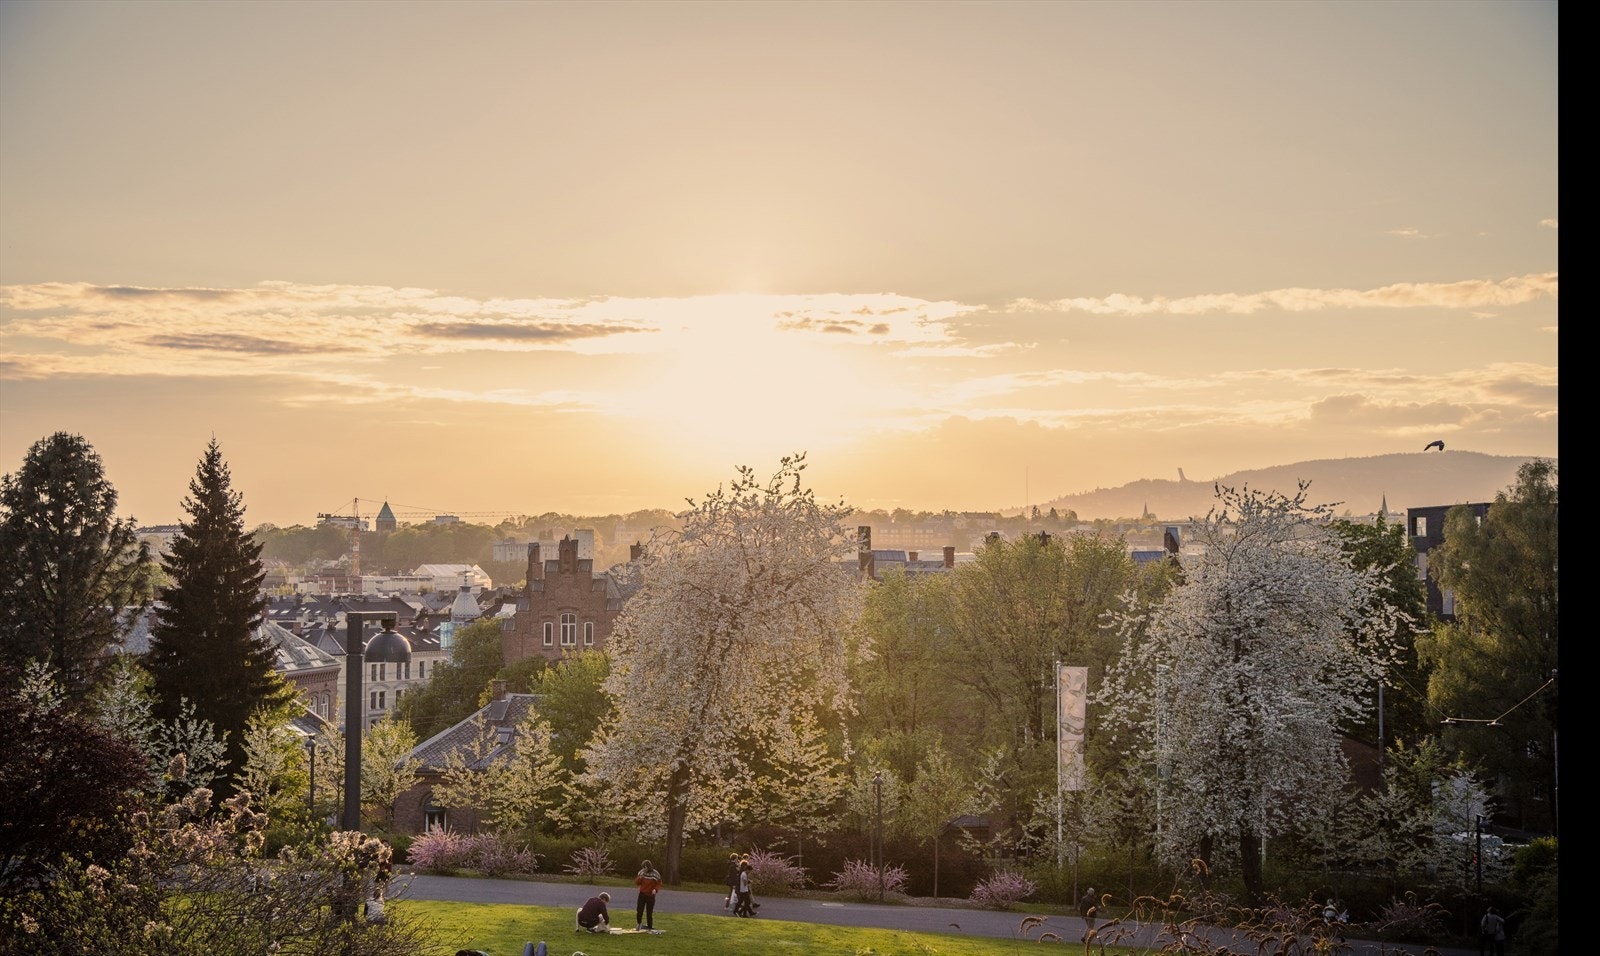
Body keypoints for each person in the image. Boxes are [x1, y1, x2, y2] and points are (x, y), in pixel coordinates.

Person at [634, 859, 662, 931]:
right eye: (643, 867)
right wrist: (641, 877)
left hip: (650, 895)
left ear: (648, 866)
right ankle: (638, 923)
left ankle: (649, 926)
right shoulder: (641, 872)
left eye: (645, 867)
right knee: (639, 910)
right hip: (642, 894)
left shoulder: (655, 873)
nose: (644, 869)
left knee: (649, 912)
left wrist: (655, 889)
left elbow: (659, 883)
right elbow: (637, 882)